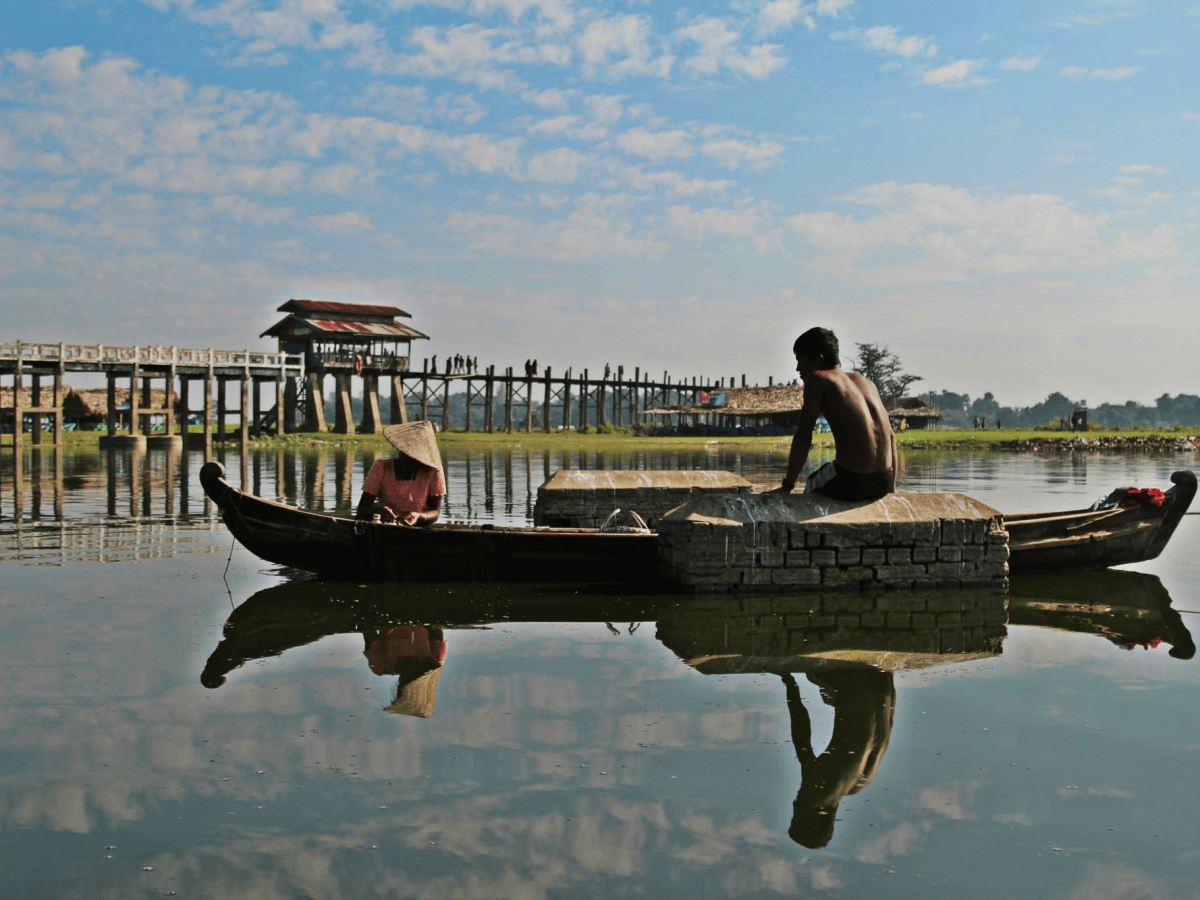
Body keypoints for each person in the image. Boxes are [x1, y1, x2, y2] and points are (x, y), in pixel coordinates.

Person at [777, 327, 895, 501]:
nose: (797, 368)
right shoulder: (866, 382)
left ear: (819, 360)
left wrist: (787, 487)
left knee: (811, 483)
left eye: (801, 360)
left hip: (853, 481)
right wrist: (891, 489)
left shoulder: (817, 379)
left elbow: (803, 435)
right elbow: (891, 436)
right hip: (883, 481)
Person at [355, 421, 445, 526]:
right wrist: (378, 511)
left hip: (418, 529)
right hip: (386, 527)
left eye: (416, 458)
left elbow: (435, 512)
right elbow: (362, 510)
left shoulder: (434, 471)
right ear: (400, 450)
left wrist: (419, 516)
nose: (411, 460)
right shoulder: (381, 467)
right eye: (407, 455)